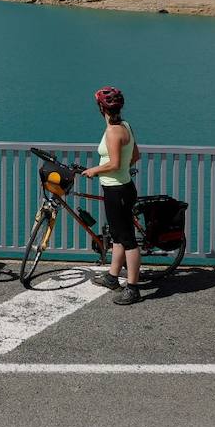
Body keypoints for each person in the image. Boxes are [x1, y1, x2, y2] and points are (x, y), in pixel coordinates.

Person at [83, 87, 142, 304]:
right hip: (122, 187)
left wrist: (94, 170)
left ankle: (133, 288)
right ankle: (112, 276)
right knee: (117, 234)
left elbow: (115, 163)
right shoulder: (125, 126)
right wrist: (121, 170)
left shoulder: (112, 131)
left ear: (101, 108)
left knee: (128, 240)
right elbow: (135, 155)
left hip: (117, 191)